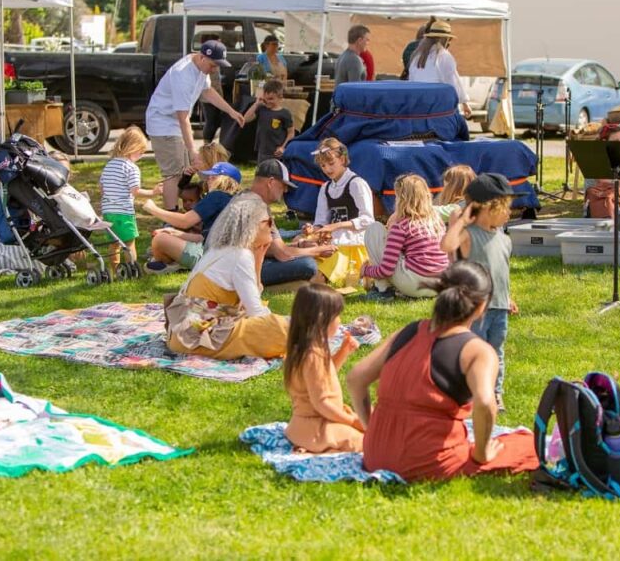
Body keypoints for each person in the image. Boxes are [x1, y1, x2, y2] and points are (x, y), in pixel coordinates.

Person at [347, 261, 539, 482]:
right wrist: (481, 455)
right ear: (481, 307)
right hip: (429, 462)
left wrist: (373, 430)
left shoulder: (407, 332)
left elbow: (355, 379)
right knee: (529, 444)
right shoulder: (478, 351)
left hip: (375, 455)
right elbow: (486, 404)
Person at [164, 192, 288, 359]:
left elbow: (248, 302)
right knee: (284, 328)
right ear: (254, 225)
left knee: (281, 323)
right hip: (201, 336)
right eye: (270, 222)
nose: (272, 228)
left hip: (184, 334)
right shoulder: (240, 255)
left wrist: (259, 258)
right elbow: (256, 312)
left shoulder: (221, 249)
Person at [440, 173, 517, 411]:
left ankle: (495, 393)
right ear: (488, 208)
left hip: (499, 306)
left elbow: (501, 273)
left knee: (496, 352)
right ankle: (473, 392)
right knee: (475, 351)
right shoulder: (469, 234)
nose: (509, 214)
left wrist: (508, 297)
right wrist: (462, 220)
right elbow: (447, 245)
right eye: (505, 208)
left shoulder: (504, 239)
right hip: (476, 308)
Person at [145, 39, 245, 212]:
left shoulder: (201, 67)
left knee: (189, 170)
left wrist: (230, 111)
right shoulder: (182, 75)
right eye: (213, 65)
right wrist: (192, 150)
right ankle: (171, 217)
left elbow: (207, 91)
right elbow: (183, 118)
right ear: (202, 57)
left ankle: (197, 210)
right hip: (163, 123)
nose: (215, 70)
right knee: (174, 173)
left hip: (176, 122)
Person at [283, 284, 364, 453]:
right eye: (337, 316)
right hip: (317, 427)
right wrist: (350, 421)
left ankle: (312, 447)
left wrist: (344, 351)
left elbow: (324, 375)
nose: (340, 321)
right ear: (322, 319)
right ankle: (319, 449)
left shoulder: (308, 347)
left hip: (307, 425)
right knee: (370, 442)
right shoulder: (312, 354)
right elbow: (322, 404)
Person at [360, 174, 449, 300]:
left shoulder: (401, 226)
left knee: (374, 229)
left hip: (415, 284)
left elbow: (386, 270)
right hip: (440, 284)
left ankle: (382, 290)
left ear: (401, 198)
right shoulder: (436, 222)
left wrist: (366, 270)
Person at [143, 162, 242, 273]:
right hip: (226, 256)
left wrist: (153, 209)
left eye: (213, 177)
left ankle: (174, 264)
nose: (208, 180)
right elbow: (204, 237)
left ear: (225, 180)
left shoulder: (217, 196)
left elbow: (185, 221)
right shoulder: (234, 200)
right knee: (165, 238)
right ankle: (175, 265)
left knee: (160, 239)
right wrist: (176, 233)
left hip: (210, 258)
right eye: (208, 177)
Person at [251, 159, 335, 287]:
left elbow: (267, 248)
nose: (285, 191)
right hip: (239, 269)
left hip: (228, 265)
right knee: (308, 264)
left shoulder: (248, 200)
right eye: (283, 185)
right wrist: (317, 251)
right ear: (271, 182)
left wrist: (299, 245)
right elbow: (282, 253)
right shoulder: (257, 208)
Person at [99, 126, 162, 274]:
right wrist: (153, 192)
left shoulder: (109, 165)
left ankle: (115, 270)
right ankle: (132, 268)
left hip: (108, 212)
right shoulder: (131, 168)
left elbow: (101, 188)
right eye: (141, 152)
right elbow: (136, 191)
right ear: (133, 148)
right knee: (129, 242)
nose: (141, 155)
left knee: (114, 243)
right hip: (124, 212)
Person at [311, 137, 374, 246]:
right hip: (331, 243)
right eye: (323, 165)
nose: (327, 169)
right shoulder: (325, 188)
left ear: (342, 159)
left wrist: (337, 225)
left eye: (331, 163)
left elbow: (368, 219)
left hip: (355, 243)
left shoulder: (356, 184)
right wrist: (312, 229)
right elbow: (321, 221)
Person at [407, 20, 471, 116]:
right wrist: (464, 103)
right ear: (444, 39)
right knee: (462, 130)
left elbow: (411, 81)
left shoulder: (416, 57)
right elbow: (453, 84)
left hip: (418, 107)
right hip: (438, 109)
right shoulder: (444, 56)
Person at [244, 79, 294, 161]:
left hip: (276, 153)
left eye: (271, 99)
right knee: (262, 172)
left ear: (280, 98)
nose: (267, 101)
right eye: (265, 98)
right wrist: (256, 104)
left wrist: (283, 147)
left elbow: (291, 133)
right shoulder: (261, 109)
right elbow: (246, 119)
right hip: (262, 151)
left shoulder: (284, 113)